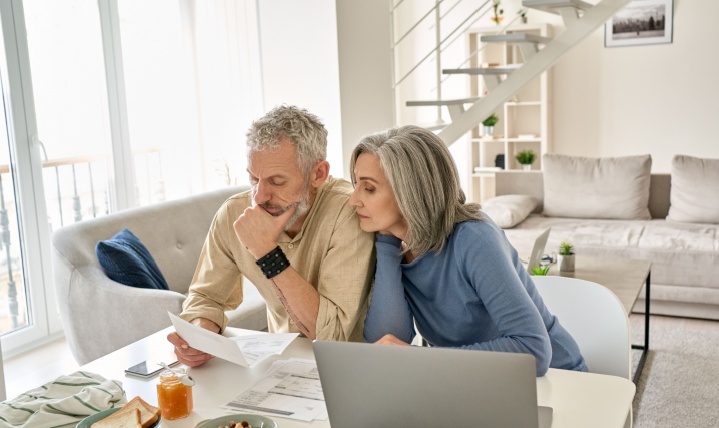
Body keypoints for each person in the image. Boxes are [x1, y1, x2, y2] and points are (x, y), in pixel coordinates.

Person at [350, 125, 587, 376]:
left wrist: (423, 358)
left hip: (556, 381)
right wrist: (387, 245)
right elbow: (386, 342)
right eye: (356, 184)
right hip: (474, 382)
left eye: (369, 188)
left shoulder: (473, 238)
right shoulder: (397, 245)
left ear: (410, 192)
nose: (353, 199)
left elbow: (533, 350)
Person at [168, 105, 375, 367]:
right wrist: (201, 333)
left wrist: (267, 253)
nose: (259, 196)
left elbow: (330, 335)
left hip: (349, 366)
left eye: (277, 182)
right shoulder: (234, 212)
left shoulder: (349, 212)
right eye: (254, 179)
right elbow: (205, 297)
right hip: (280, 366)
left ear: (318, 174)